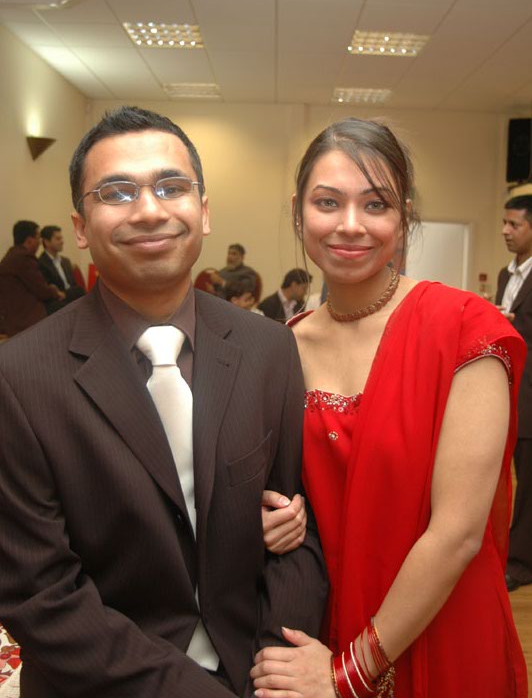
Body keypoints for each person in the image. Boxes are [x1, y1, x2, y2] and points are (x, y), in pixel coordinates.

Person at [0, 106, 327, 698]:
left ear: (204, 212)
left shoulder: (268, 348)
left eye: (171, 187)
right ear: (80, 226)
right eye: (116, 192)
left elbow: (297, 530)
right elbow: (38, 592)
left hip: (253, 671)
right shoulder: (19, 377)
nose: (149, 209)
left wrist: (277, 661)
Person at [251, 118, 528, 698]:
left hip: (441, 624)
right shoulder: (283, 345)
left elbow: (458, 532)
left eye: (375, 204)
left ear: (403, 217)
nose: (351, 224)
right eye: (328, 202)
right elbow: (278, 485)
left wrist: (349, 673)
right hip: (325, 619)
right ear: (299, 214)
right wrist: (269, 520)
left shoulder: (464, 328)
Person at [496, 194, 532, 592]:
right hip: (507, 392)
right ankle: (505, 553)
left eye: (515, 225)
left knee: (528, 488)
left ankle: (521, 565)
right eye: (504, 224)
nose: (506, 231)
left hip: (530, 395)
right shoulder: (505, 276)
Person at [0, 220, 64, 336]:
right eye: (38, 238)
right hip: (24, 318)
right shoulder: (24, 258)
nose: (40, 243)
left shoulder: (12, 255)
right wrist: (56, 292)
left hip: (14, 315)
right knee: (72, 302)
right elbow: (42, 291)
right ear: (29, 240)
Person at [38, 224, 85, 313]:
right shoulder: (41, 263)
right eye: (58, 239)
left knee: (82, 292)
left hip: (70, 297)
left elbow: (74, 285)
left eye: (61, 238)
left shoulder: (65, 261)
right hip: (57, 303)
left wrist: (66, 294)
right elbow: (48, 291)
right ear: (47, 242)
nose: (62, 241)